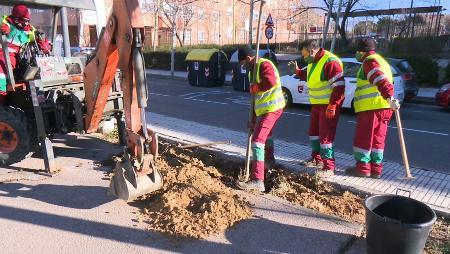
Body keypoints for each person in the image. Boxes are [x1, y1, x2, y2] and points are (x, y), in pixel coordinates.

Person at [287, 39, 345, 177]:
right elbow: (311, 76)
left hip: (328, 106)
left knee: (325, 137)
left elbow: (339, 87)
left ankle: (329, 166)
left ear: (312, 51)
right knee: (314, 133)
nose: (303, 57)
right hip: (317, 105)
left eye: (305, 54)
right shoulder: (314, 62)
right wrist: (297, 71)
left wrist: (333, 105)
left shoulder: (330, 62)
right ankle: (316, 158)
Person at [345, 38, 400, 179]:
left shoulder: (369, 62)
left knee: (364, 139)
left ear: (362, 51)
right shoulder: (382, 61)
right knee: (378, 140)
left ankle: (363, 169)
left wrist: (389, 96)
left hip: (371, 109)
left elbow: (379, 79)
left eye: (357, 51)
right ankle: (376, 169)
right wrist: (390, 99)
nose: (356, 54)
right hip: (384, 107)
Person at [237, 46, 285, 192]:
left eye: (242, 63)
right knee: (266, 135)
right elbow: (254, 99)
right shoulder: (251, 71)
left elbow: (270, 81)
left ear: (248, 59)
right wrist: (252, 119)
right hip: (264, 110)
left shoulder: (264, 65)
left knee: (257, 141)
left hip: (273, 108)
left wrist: (258, 87)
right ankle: (269, 160)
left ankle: (258, 180)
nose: (242, 67)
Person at [0, 4, 51, 104]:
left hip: (15, 58)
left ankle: (36, 100)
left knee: (33, 73)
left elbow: (43, 43)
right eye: (24, 20)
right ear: (16, 18)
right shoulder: (4, 22)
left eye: (28, 20)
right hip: (3, 54)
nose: (26, 23)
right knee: (1, 72)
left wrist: (42, 39)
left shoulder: (29, 30)